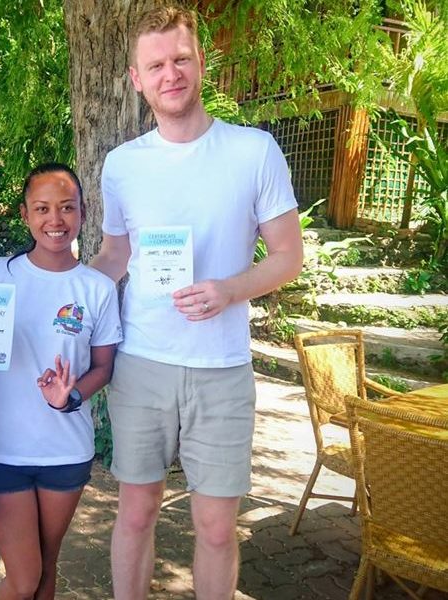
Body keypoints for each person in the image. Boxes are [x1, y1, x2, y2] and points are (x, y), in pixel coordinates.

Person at [91, 6, 304, 600]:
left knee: (215, 528)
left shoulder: (254, 151)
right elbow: (114, 256)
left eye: (181, 59)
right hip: (142, 364)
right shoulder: (122, 165)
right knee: (135, 514)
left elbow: (288, 256)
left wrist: (228, 290)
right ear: (136, 78)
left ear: (201, 63)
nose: (171, 73)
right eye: (156, 65)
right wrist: (56, 296)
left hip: (222, 367)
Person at [0, 163, 122, 600]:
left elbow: (103, 368)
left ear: (82, 213)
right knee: (24, 577)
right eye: (42, 208)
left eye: (66, 208)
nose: (55, 220)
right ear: (25, 214)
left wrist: (70, 396)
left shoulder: (96, 288)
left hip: (65, 450)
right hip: (0, 448)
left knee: (46, 566)